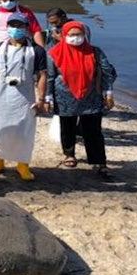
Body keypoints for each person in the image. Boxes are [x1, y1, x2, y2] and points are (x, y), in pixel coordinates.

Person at [0, 12, 50, 181]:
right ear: (7, 27)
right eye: (13, 26)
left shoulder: (36, 51)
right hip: (0, 94)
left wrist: (42, 98)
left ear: (27, 29)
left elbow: (42, 75)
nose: (16, 29)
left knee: (23, 129)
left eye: (20, 26)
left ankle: (22, 164)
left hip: (24, 96)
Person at [46, 21, 117, 179]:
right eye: (71, 35)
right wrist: (48, 97)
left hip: (90, 96)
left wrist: (109, 93)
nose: (75, 38)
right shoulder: (54, 53)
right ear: (64, 36)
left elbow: (106, 72)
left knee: (93, 130)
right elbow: (50, 77)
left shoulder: (94, 52)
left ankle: (99, 161)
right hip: (64, 96)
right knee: (67, 126)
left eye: (79, 35)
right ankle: (69, 154)